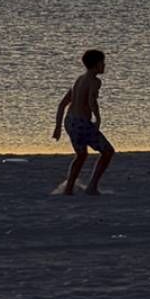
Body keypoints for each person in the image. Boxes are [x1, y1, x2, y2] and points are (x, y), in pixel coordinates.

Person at [53, 49, 115, 195]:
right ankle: (92, 186)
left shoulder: (79, 80)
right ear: (96, 64)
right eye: (102, 63)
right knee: (108, 151)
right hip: (81, 122)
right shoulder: (94, 81)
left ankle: (68, 189)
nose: (104, 65)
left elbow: (62, 104)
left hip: (70, 121)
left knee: (81, 155)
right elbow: (91, 100)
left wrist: (58, 127)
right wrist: (98, 118)